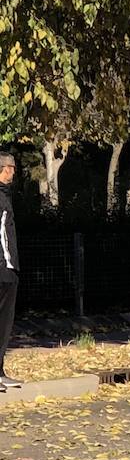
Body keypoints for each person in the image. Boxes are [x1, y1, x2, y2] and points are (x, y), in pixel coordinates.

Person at [0, 153, 19, 390]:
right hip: (3, 267)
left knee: (5, 323)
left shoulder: (5, 195)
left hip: (8, 266)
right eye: (13, 168)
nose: (14, 172)